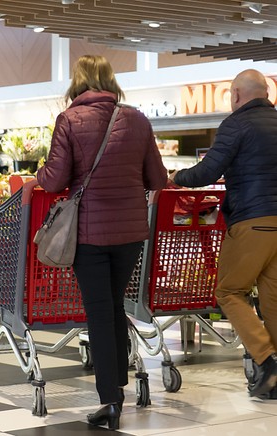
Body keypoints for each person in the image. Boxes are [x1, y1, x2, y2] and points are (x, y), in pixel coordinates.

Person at [36, 55, 167, 430]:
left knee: (99, 310)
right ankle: (118, 386)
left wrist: (39, 174)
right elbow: (156, 178)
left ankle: (110, 399)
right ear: (110, 81)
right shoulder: (137, 119)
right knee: (112, 305)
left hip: (90, 235)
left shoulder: (70, 120)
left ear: (78, 82)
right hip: (129, 234)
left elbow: (54, 178)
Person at [170, 68, 277, 400]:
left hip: (251, 221)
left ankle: (267, 360)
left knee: (229, 291)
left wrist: (176, 177)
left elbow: (208, 170)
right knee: (273, 299)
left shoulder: (236, 124)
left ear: (235, 95)